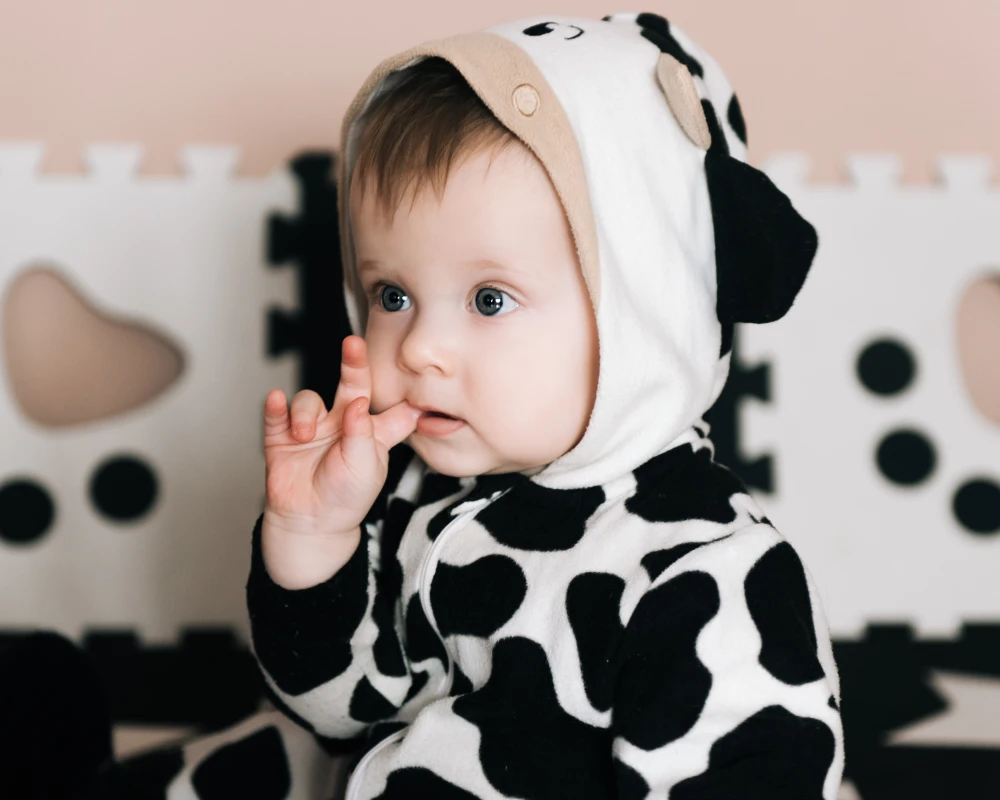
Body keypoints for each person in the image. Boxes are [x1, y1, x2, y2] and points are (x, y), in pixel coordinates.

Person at [116, 11, 846, 799]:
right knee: (263, 757)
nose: (420, 345)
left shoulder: (702, 564)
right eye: (391, 293)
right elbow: (340, 712)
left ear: (641, 310)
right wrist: (312, 539)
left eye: (490, 299)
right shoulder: (418, 497)